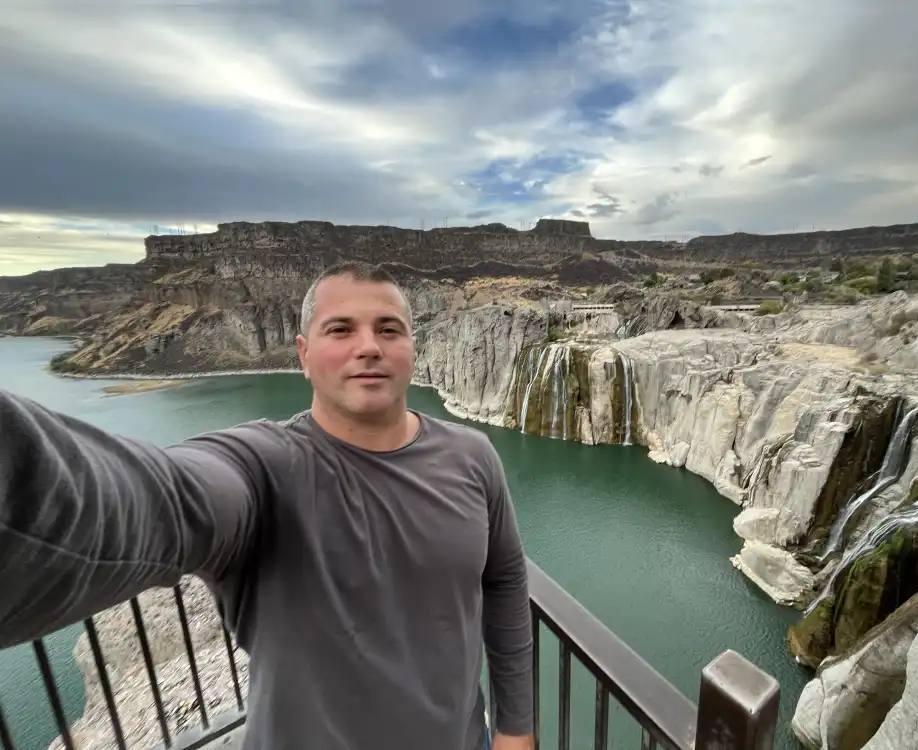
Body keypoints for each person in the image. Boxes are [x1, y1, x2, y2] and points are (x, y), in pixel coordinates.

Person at [0, 262, 535, 750]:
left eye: (388, 329)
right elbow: (160, 498)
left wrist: (516, 728)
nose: (368, 346)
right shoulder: (263, 466)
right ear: (302, 354)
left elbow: (505, 579)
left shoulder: (473, 456)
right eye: (341, 329)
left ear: (412, 348)